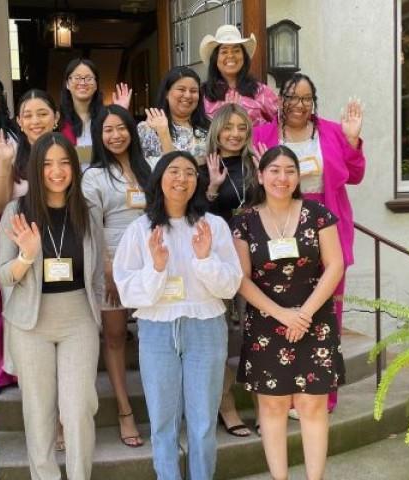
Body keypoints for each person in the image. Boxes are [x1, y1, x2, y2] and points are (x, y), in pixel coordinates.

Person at [113, 150, 242, 479]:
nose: (181, 179)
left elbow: (230, 285)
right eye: (173, 171)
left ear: (197, 181)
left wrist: (203, 259)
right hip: (156, 331)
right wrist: (156, 268)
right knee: (162, 422)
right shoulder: (140, 229)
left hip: (206, 327)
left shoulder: (212, 226)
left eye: (188, 172)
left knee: (202, 423)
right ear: (159, 179)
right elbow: (127, 291)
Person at [232, 145, 345, 480]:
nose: (283, 178)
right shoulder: (244, 221)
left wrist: (304, 314)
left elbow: (335, 264)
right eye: (275, 170)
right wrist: (283, 315)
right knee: (273, 405)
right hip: (267, 323)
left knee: (312, 405)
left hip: (315, 322)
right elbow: (241, 278)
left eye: (290, 171)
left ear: (299, 176)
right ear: (262, 175)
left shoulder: (318, 213)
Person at [255, 72, 365, 413]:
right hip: (282, 231)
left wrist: (352, 142)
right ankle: (285, 391)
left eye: (306, 98)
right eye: (292, 96)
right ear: (280, 99)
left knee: (326, 313)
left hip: (327, 227)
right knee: (285, 308)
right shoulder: (263, 133)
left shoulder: (332, 131)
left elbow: (356, 175)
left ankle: (322, 394)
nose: (299, 104)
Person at [0, 133, 102, 480]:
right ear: (34, 169)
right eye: (47, 164)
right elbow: (3, 276)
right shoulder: (17, 211)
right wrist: (26, 256)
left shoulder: (88, 211)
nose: (56, 171)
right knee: (39, 412)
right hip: (31, 319)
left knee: (78, 410)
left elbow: (97, 269)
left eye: (64, 162)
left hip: (78, 318)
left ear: (74, 166)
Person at [81, 104, 152, 448]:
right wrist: (108, 266)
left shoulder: (148, 168)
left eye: (121, 127)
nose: (115, 135)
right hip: (110, 264)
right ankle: (125, 410)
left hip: (151, 260)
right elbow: (93, 226)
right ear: (98, 135)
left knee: (155, 332)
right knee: (114, 336)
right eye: (107, 130)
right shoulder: (93, 175)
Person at [200, 103, 259, 439]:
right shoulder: (203, 165)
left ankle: (265, 402)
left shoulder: (256, 163)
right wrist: (211, 187)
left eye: (241, 127)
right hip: (220, 263)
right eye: (228, 127)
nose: (235, 134)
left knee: (257, 335)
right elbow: (196, 215)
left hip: (254, 260)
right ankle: (226, 406)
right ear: (217, 130)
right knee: (219, 340)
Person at [200, 24, 279, 126]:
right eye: (224, 52)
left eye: (236, 51)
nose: (231, 56)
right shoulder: (203, 94)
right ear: (215, 59)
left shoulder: (261, 91)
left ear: (244, 57)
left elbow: (282, 120)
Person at [58, 58, 132, 166]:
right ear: (67, 84)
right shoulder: (57, 120)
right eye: (77, 78)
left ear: (96, 85)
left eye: (89, 78)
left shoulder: (106, 117)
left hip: (103, 180)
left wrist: (120, 115)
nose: (83, 83)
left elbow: (124, 151)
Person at [137, 66, 211, 166]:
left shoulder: (209, 128)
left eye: (193, 91)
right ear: (167, 93)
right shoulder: (146, 128)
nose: (188, 95)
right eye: (181, 89)